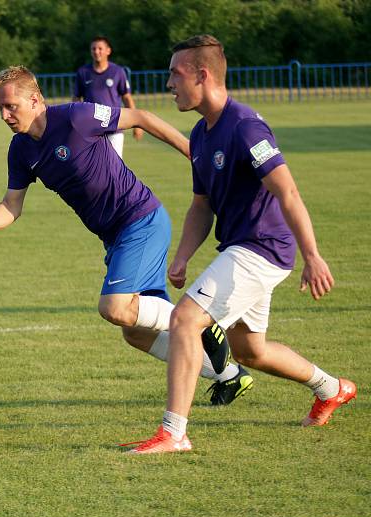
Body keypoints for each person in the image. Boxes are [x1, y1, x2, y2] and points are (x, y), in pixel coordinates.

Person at [123, 35, 356, 454]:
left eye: (175, 74)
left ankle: (174, 433)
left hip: (262, 247)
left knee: (185, 321)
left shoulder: (246, 126)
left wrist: (313, 255)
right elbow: (202, 204)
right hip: (241, 246)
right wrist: (181, 256)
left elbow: (287, 192)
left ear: (203, 74)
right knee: (251, 350)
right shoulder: (200, 133)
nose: (168, 84)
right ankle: (331, 387)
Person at [0, 65, 252, 407]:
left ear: (34, 99)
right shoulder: (20, 150)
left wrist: (194, 154)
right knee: (135, 331)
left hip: (141, 220)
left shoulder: (76, 117)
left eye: (10, 106)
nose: (4, 115)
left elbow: (142, 117)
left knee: (115, 307)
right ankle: (227, 375)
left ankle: (201, 322)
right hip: (115, 237)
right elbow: (11, 206)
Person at [73, 36, 143, 158]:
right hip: (91, 129)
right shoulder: (83, 72)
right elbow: (76, 100)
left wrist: (137, 125)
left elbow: (127, 98)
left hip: (114, 127)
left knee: (115, 164)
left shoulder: (118, 71)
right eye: (93, 49)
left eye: (100, 48)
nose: (96, 51)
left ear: (108, 51)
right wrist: (75, 123)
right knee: (94, 166)